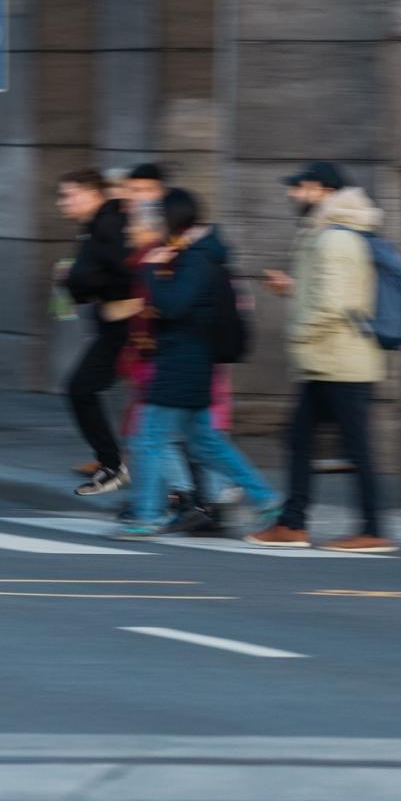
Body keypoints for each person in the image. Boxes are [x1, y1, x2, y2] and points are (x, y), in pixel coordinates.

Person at [113, 189, 279, 539]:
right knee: (206, 443)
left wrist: (152, 271)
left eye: (159, 219)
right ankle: (265, 498)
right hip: (192, 362)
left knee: (149, 439)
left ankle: (146, 514)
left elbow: (173, 306)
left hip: (182, 363)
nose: (155, 227)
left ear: (174, 219)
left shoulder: (197, 260)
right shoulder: (199, 256)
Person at [248, 161, 395, 554]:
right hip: (328, 359)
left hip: (342, 361)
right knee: (300, 437)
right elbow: (328, 292)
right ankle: (294, 524)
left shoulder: (335, 239)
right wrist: (293, 289)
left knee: (354, 445)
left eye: (299, 188)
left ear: (322, 190)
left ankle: (372, 529)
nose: (292, 195)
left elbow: (335, 304)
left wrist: (299, 332)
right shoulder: (327, 234)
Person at [57, 168, 141, 496]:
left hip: (126, 327)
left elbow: (124, 269)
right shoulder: (98, 226)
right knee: (152, 412)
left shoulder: (109, 224)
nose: (63, 203)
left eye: (69, 195)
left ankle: (113, 465)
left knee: (82, 389)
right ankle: (175, 491)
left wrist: (78, 281)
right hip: (118, 327)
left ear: (94, 194)